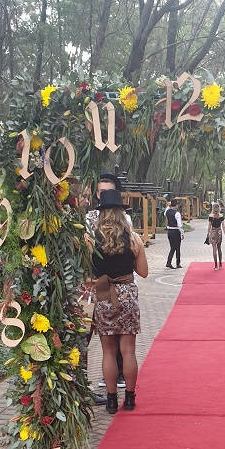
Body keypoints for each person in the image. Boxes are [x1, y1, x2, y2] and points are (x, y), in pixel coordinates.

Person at [92, 189, 148, 414]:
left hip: (104, 295)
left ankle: (112, 399)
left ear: (102, 213)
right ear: (121, 213)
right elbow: (143, 272)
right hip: (127, 296)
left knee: (108, 351)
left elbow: (87, 274)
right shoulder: (133, 239)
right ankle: (131, 399)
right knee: (128, 351)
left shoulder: (92, 240)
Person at [86, 173, 133, 392]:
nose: (104, 195)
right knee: (108, 341)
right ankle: (117, 387)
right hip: (99, 287)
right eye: (101, 191)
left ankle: (116, 383)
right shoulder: (88, 220)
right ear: (96, 194)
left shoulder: (126, 221)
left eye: (109, 191)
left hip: (119, 284)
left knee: (117, 342)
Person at [207, 201, 225, 269]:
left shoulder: (210, 216)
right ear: (219, 208)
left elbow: (209, 226)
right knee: (219, 248)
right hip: (219, 232)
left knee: (214, 249)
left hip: (213, 232)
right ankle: (220, 265)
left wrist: (208, 234)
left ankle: (215, 266)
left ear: (213, 208)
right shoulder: (221, 216)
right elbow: (223, 226)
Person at [165, 198, 184, 269]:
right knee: (177, 248)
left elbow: (165, 212)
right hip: (176, 231)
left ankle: (168, 262)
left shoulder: (167, 211)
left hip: (169, 231)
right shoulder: (177, 213)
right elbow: (180, 225)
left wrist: (169, 205)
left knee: (172, 247)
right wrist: (182, 233)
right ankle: (178, 263)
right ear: (176, 205)